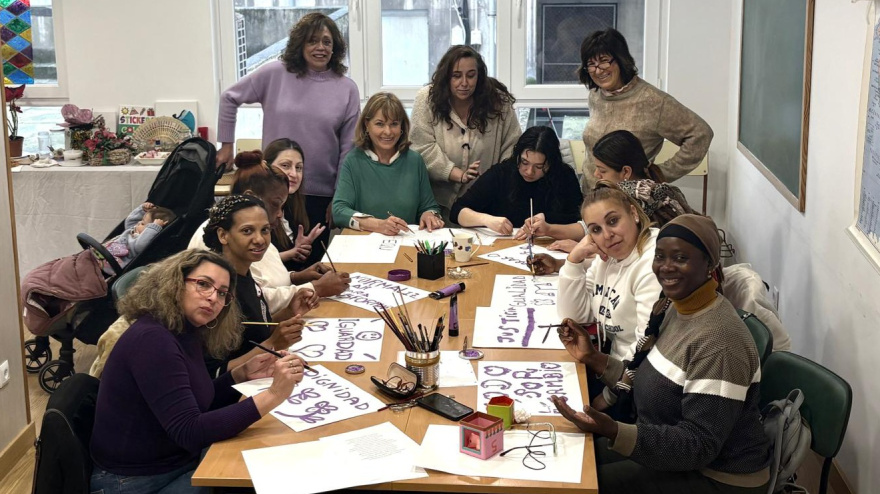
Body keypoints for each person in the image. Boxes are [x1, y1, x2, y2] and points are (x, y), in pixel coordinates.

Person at [551, 215, 770, 493]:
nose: (666, 268)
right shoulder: (672, 306)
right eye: (660, 257)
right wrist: (593, 357)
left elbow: (699, 444)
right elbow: (645, 374)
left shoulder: (720, 341)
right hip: (669, 446)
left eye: (680, 258)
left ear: (709, 265)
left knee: (581, 485)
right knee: (572, 465)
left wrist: (615, 430)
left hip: (717, 476)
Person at [90, 249, 308, 494]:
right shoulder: (153, 341)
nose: (213, 298)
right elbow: (190, 431)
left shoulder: (183, 329)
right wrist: (274, 394)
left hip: (169, 462)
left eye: (223, 293)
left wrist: (239, 375)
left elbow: (194, 401)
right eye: (203, 284)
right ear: (175, 283)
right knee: (264, 477)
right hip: (135, 481)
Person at [217, 12, 360, 261]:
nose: (320, 47)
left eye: (327, 42)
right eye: (312, 40)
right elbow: (229, 98)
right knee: (267, 266)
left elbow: (348, 149)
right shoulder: (274, 74)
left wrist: (339, 196)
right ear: (300, 44)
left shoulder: (347, 88)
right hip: (271, 191)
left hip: (319, 195)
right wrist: (226, 145)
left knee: (310, 268)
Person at [539, 185, 662, 413]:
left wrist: (609, 397)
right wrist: (574, 260)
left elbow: (647, 348)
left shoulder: (652, 263)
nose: (607, 235)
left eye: (613, 221)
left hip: (634, 389)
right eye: (596, 229)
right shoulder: (609, 257)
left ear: (634, 213)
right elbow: (575, 317)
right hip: (608, 367)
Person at [188, 154, 349, 315]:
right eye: (276, 205)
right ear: (251, 197)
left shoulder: (257, 227)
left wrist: (298, 277)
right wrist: (316, 288)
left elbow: (265, 279)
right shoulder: (221, 235)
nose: (280, 214)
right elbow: (250, 300)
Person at [579, 28, 713, 190]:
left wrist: (657, 175)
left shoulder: (653, 100)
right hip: (590, 194)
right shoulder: (596, 95)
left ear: (621, 59)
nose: (598, 70)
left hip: (627, 202)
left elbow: (700, 134)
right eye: (591, 64)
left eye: (604, 61)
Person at [201, 194, 317, 377]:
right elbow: (214, 372)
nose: (260, 239)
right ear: (223, 235)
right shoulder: (215, 291)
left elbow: (254, 333)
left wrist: (289, 311)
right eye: (247, 231)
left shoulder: (245, 274)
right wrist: (272, 345)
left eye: (265, 230)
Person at [525, 130, 695, 251]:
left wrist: (580, 250)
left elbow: (629, 257)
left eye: (602, 170)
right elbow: (586, 227)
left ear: (625, 172)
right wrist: (548, 229)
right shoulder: (643, 189)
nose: (596, 174)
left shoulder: (640, 200)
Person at [411, 45, 522, 221]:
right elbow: (421, 146)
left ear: (480, 76)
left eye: (471, 75)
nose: (464, 83)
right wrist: (455, 173)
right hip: (437, 206)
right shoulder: (427, 99)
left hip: (487, 207)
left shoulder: (498, 102)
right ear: (445, 76)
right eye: (456, 76)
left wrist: (494, 185)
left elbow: (512, 147)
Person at [333, 92, 444, 235]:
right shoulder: (353, 160)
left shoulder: (414, 161)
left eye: (394, 124)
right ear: (367, 125)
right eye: (380, 124)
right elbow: (339, 211)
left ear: (402, 126)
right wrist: (378, 225)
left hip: (406, 244)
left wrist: (429, 215)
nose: (388, 132)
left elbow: (429, 206)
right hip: (364, 246)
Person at [450, 126, 582, 234]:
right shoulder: (501, 173)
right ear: (517, 155)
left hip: (548, 248)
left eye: (539, 166)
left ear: (551, 163)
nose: (529, 171)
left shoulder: (564, 176)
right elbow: (456, 211)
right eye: (524, 162)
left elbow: (578, 221)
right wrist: (487, 220)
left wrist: (548, 221)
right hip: (502, 247)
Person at [263, 138, 327, 272]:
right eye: (285, 165)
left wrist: (299, 251)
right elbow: (254, 263)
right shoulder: (256, 208)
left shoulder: (295, 205)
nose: (294, 174)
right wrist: (292, 253)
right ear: (266, 167)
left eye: (298, 168)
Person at [101, 202, 176, 274]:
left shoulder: (140, 241)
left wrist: (154, 228)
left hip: (110, 264)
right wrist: (141, 210)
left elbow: (140, 246)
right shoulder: (134, 230)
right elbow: (129, 222)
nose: (139, 223)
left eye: (143, 223)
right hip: (103, 253)